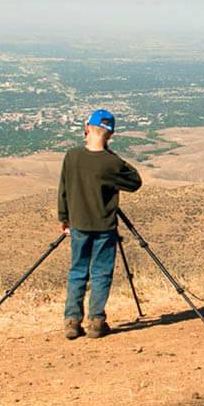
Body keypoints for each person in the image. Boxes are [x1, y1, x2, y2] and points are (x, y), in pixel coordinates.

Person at [57, 109, 142, 339]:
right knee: (101, 273)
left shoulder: (72, 156)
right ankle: (96, 321)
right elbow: (135, 181)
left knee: (77, 272)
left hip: (79, 225)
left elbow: (63, 190)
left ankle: (72, 321)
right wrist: (111, 154)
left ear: (86, 129)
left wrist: (64, 219)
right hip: (104, 227)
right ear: (111, 135)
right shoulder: (111, 162)